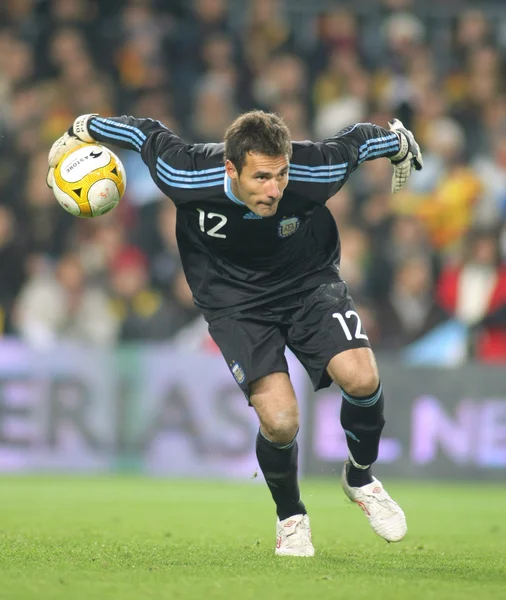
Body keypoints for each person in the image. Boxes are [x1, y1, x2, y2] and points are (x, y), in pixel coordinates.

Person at [47, 110, 422, 557]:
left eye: (281, 175)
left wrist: (399, 144)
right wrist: (84, 127)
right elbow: (144, 132)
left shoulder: (315, 168)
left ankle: (360, 478)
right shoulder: (185, 172)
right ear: (231, 168)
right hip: (234, 303)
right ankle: (291, 517)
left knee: (362, 378)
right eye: (262, 177)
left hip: (308, 282)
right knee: (281, 421)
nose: (275, 189)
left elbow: (360, 142)